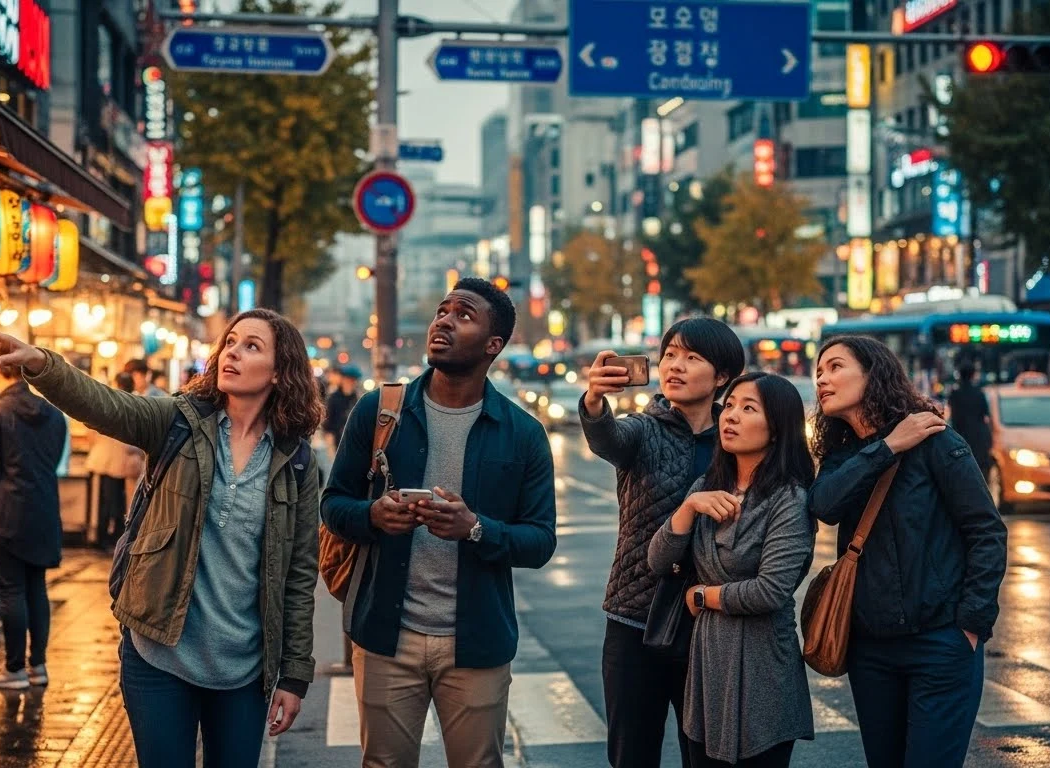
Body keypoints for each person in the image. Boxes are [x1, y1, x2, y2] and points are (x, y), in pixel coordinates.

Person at [0, 307, 323, 768]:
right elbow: (103, 404)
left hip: (243, 670)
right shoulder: (178, 422)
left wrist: (294, 676)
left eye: (251, 346)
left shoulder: (295, 463)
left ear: (280, 373)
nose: (232, 353)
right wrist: (41, 363)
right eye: (231, 341)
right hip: (159, 656)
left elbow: (299, 576)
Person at [322, 277, 557, 768]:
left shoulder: (523, 434)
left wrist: (476, 528)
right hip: (387, 633)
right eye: (442, 310)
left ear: (493, 345)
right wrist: (374, 515)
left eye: (463, 315)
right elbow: (334, 504)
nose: (444, 320)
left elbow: (539, 541)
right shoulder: (381, 411)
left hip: (477, 642)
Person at [808, 336, 1007, 768]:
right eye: (818, 371)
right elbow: (824, 505)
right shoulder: (843, 455)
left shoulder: (935, 440)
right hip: (870, 651)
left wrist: (970, 625)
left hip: (940, 643)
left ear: (873, 373)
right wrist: (886, 447)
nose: (822, 379)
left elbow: (986, 531)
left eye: (835, 367)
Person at [580, 317, 746, 768]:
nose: (675, 365)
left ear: (723, 377)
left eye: (692, 358)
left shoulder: (737, 439)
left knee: (708, 754)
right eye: (670, 354)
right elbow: (607, 437)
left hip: (709, 621)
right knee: (633, 752)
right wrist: (595, 400)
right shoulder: (643, 428)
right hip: (635, 618)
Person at [648, 372, 817, 768]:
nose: (731, 416)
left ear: (777, 428)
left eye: (748, 408)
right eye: (730, 405)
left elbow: (771, 591)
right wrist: (688, 510)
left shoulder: (788, 498)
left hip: (762, 661)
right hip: (708, 658)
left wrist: (703, 596)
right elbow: (658, 562)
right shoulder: (707, 486)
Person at [0, 362, 67, 690]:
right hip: (43, 511)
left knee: (11, 590)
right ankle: (38, 666)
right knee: (36, 588)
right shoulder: (54, 415)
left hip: (7, 514)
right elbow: (51, 461)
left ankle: (14, 669)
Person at [84, 373, 145, 550]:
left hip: (104, 459)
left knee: (106, 500)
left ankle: (104, 536)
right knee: (118, 501)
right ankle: (115, 536)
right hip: (121, 461)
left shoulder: (106, 400)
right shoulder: (134, 404)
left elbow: (91, 432)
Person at [946, 363, 994, 477]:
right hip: (978, 437)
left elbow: (953, 416)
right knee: (980, 470)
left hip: (960, 435)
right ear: (973, 375)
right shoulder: (979, 393)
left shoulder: (955, 394)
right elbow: (985, 415)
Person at [321, 364, 361, 458]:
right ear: (343, 379)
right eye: (349, 379)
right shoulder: (334, 399)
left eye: (353, 380)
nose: (351, 382)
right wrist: (331, 453)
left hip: (355, 446)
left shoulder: (357, 398)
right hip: (338, 445)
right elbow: (328, 427)